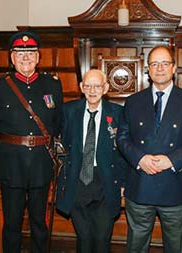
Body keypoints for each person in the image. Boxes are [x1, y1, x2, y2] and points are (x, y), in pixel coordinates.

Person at [117, 45, 182, 253]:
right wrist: (140, 159)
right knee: (136, 247)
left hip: (174, 187)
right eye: (154, 64)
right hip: (140, 186)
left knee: (177, 247)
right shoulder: (133, 101)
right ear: (148, 69)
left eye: (164, 63)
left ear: (174, 68)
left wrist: (171, 160)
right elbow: (122, 137)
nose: (159, 68)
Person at [0, 31, 63, 253]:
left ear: (39, 57)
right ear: (12, 58)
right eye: (20, 53)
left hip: (41, 163)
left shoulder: (52, 84)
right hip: (11, 163)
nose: (26, 57)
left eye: (30, 52)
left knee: (40, 222)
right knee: (11, 223)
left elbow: (58, 122)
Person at [56, 69, 126, 253]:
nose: (92, 90)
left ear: (105, 88)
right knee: (84, 238)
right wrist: (63, 171)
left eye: (97, 86)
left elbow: (124, 151)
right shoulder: (69, 110)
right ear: (81, 87)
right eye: (88, 86)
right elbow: (60, 144)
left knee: (102, 238)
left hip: (105, 181)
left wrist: (123, 181)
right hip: (77, 180)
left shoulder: (118, 113)